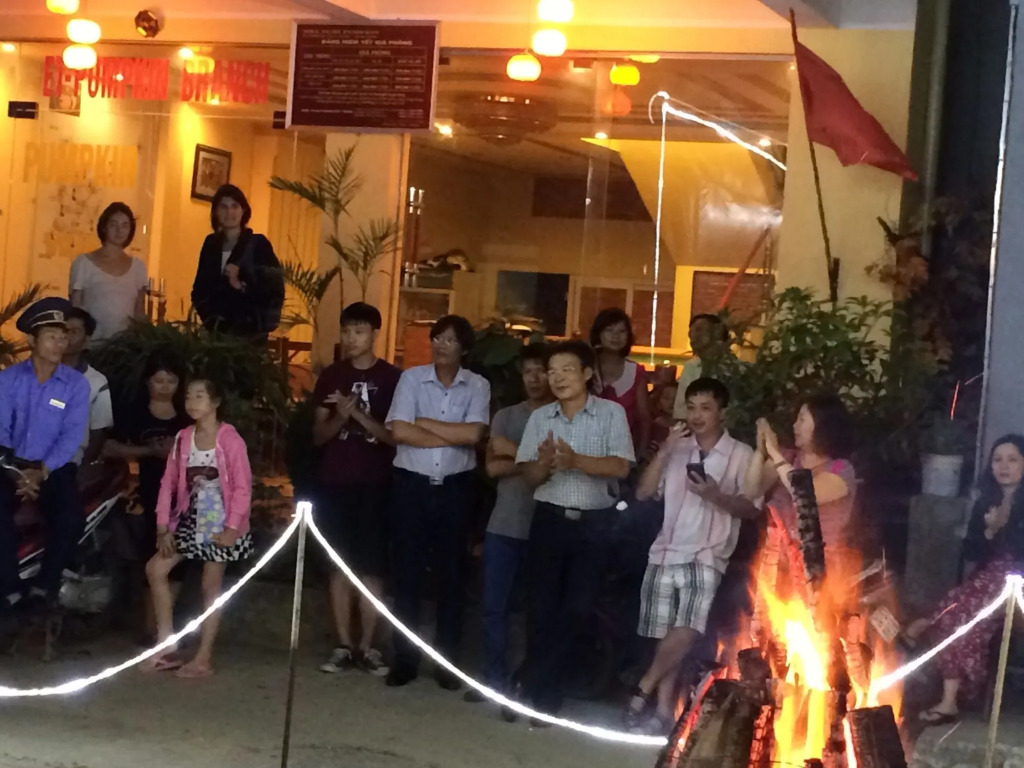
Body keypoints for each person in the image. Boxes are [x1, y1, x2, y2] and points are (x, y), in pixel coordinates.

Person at [626, 378, 760, 733]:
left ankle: (643, 686)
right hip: (665, 550)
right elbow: (643, 493)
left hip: (708, 553)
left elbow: (751, 507)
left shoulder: (741, 454)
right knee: (668, 636)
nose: (697, 415)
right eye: (691, 408)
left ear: (723, 413)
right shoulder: (677, 448)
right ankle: (662, 713)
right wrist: (665, 451)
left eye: (706, 408)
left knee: (687, 630)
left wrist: (715, 495)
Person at [513, 339, 635, 718]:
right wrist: (543, 463)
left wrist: (575, 460)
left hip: (594, 526)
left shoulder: (611, 414)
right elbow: (530, 478)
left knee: (579, 608)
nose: (557, 378)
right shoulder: (541, 418)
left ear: (586, 373)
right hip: (549, 521)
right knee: (541, 607)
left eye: (567, 369)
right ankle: (543, 694)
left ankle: (528, 676)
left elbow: (621, 467)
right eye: (552, 371)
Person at [384, 315, 490, 689]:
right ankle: (404, 660)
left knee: (452, 576)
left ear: (464, 348)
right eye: (437, 338)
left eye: (450, 339)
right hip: (410, 487)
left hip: (455, 489)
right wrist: (451, 435)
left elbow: (474, 434)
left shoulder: (478, 385)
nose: (441, 345)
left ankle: (447, 663)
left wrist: (423, 423)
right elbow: (399, 431)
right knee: (407, 575)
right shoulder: (411, 379)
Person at [901, 435, 1024, 725]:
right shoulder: (986, 502)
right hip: (987, 584)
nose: (1004, 466)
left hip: (1017, 582)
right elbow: (971, 551)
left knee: (965, 606)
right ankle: (949, 702)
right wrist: (988, 532)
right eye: (997, 460)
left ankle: (923, 623)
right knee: (957, 619)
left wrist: (1003, 528)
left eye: (1012, 459)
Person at [311, 302, 401, 677]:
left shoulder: (394, 379)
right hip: (336, 481)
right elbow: (318, 435)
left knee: (372, 566)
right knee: (339, 563)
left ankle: (368, 645)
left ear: (374, 334)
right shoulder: (332, 376)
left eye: (359, 331)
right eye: (346, 331)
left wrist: (358, 415)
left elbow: (394, 437)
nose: (351, 338)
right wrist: (340, 417)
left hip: (376, 483)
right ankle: (344, 644)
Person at [143, 378, 254, 677]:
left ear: (215, 402)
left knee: (210, 586)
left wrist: (232, 528)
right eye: (189, 396)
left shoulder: (230, 440)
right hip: (190, 518)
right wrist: (163, 525)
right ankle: (167, 644)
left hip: (221, 521)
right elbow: (168, 482)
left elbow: (243, 487)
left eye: (199, 396)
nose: (192, 402)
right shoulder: (183, 438)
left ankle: (203, 657)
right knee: (156, 569)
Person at [463, 343, 553, 705]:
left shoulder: (560, 417)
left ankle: (524, 681)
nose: (534, 378)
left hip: (543, 527)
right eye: (528, 371)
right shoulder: (505, 416)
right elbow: (492, 468)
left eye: (541, 371)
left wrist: (513, 453)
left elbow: (552, 469)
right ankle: (492, 678)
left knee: (534, 612)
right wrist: (533, 463)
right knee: (493, 607)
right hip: (502, 525)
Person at [0, 298, 89, 621]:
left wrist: (41, 472)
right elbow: (1, 430)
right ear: (32, 340)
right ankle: (9, 589)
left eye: (63, 337)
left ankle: (44, 587)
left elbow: (71, 436)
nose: (59, 344)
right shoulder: (8, 380)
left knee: (70, 518)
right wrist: (17, 473)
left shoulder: (75, 385)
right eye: (51, 337)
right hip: (9, 466)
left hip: (54, 469)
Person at [746, 394, 857, 576]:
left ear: (822, 425)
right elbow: (752, 490)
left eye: (802, 419)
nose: (794, 426)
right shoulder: (787, 457)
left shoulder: (841, 468)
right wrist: (761, 451)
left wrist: (774, 453)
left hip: (819, 569)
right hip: (777, 565)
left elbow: (805, 493)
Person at [191, 184, 284, 341]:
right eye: (223, 207)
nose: (229, 212)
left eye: (234, 206)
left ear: (243, 210)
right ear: (215, 212)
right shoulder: (211, 244)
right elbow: (199, 289)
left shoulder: (259, 245)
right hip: (216, 335)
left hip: (249, 337)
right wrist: (210, 321)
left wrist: (241, 286)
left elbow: (273, 289)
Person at [69, 202, 148, 343]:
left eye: (125, 225)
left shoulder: (138, 267)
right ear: (104, 227)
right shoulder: (83, 263)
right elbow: (75, 309)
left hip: (125, 347)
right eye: (113, 225)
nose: (119, 230)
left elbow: (139, 312)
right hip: (91, 345)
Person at [590, 308, 652, 456]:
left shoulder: (635, 372)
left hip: (622, 452)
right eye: (609, 330)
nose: (615, 336)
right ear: (599, 334)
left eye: (622, 331)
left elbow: (644, 419)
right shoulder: (586, 368)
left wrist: (640, 454)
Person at [63, 308, 114, 466]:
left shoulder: (96, 381)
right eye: (63, 330)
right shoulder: (38, 373)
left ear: (86, 341)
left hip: (71, 464)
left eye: (74, 332)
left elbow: (98, 433)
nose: (66, 336)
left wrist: (83, 467)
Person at [673, 314, 731, 420]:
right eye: (690, 333)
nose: (693, 337)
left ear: (717, 332)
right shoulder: (691, 366)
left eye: (699, 330)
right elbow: (680, 410)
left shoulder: (736, 368)